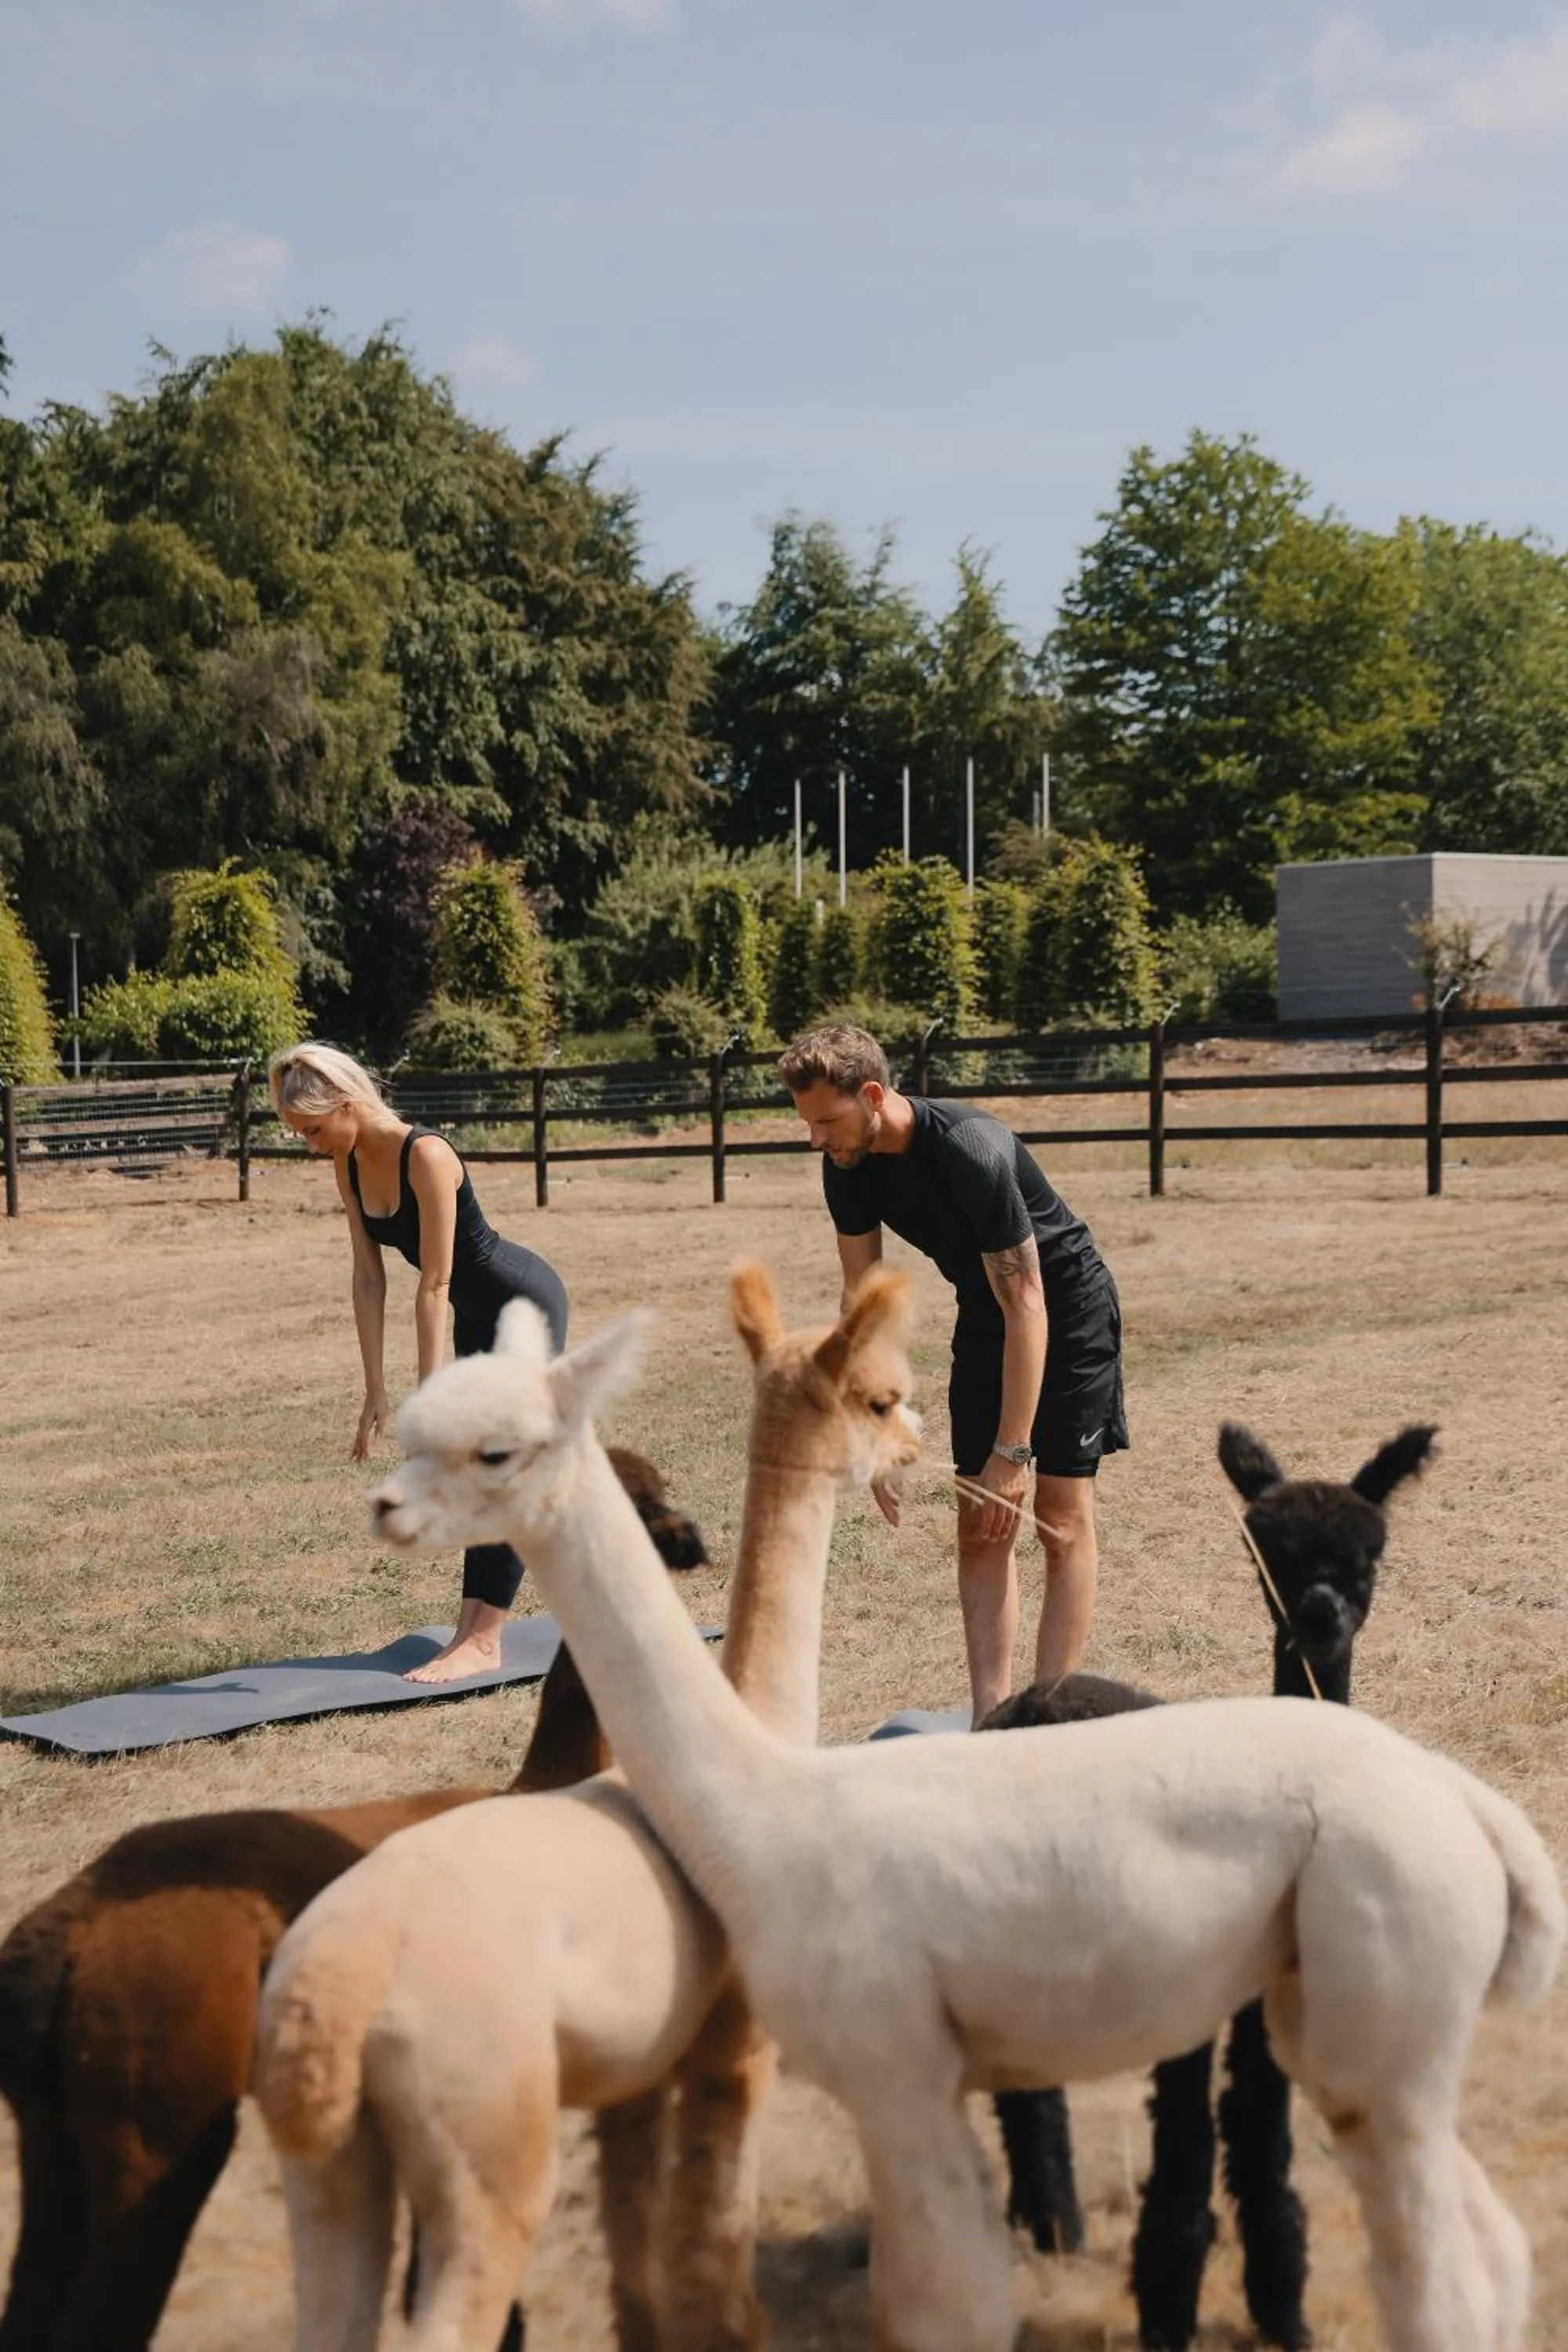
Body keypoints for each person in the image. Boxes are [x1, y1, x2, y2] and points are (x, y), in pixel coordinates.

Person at [779, 1022, 1127, 1725]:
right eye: (808, 1124)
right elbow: (862, 1302)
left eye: (827, 1121)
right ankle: (992, 1720)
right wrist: (873, 1426)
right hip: (989, 1311)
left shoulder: (971, 1149)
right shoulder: (846, 1166)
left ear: (873, 1094)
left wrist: (1014, 1449)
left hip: (1064, 1303)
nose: (817, 1139)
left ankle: (1050, 1719)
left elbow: (1029, 1302)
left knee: (1058, 1517)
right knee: (983, 1520)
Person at [268, 1042, 569, 1682]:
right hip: (475, 1315)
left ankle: (485, 1640)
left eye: (315, 1130)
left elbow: (434, 1284)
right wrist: (376, 1389)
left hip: (524, 1306)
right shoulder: (347, 1166)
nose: (311, 1145)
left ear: (347, 1105)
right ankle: (469, 1629)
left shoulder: (427, 1155)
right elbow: (367, 1276)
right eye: (301, 1135)